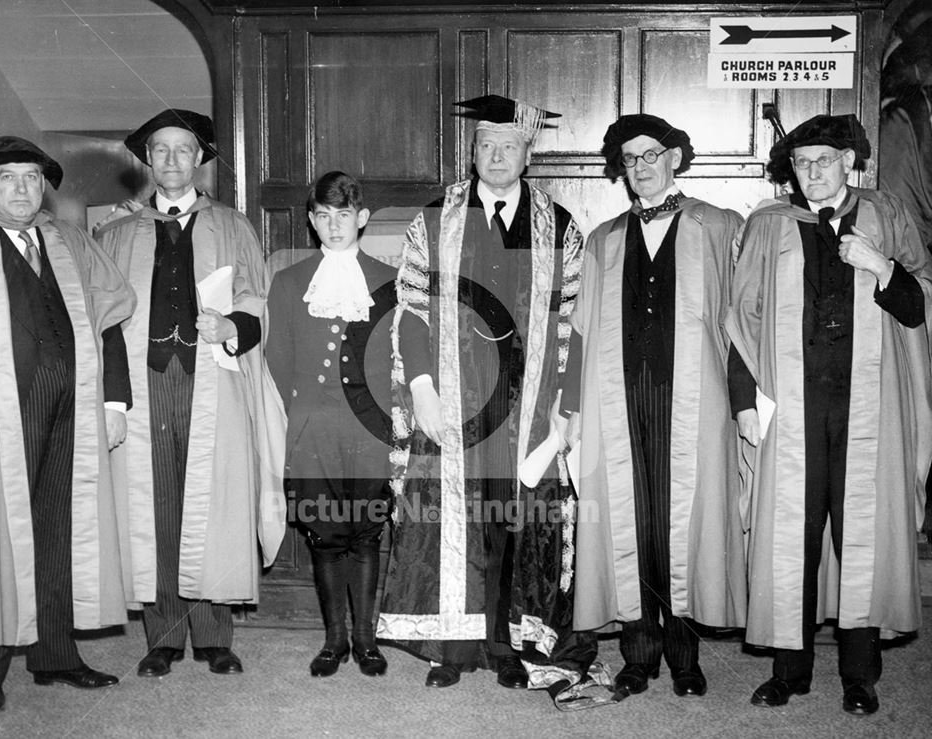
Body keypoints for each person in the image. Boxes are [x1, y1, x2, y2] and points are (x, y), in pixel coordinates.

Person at [726, 113, 932, 715]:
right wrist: (744, 404)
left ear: (851, 163)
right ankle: (790, 671)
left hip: (869, 406)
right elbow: (740, 320)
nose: (812, 171)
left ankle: (859, 676)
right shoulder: (769, 225)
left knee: (859, 534)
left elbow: (920, 308)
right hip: (791, 407)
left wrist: (881, 265)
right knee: (792, 535)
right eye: (800, 162)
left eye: (824, 159)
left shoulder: (887, 216)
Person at [377, 95, 584, 690]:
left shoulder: (559, 223)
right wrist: (420, 389)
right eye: (486, 146)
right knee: (452, 520)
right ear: (472, 152)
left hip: (528, 402)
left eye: (509, 146)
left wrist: (563, 409)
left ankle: (507, 645)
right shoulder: (437, 217)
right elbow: (411, 311)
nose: (497, 156)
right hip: (454, 396)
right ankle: (453, 649)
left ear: (528, 153)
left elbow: (573, 320)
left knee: (514, 523)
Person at [0, 136, 136, 712]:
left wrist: (114, 402)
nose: (21, 189)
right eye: (8, 179)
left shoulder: (70, 239)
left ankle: (56, 656)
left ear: (43, 185)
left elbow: (109, 321)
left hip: (73, 406)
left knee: (61, 530)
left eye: (30, 177)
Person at [96, 109, 286, 679]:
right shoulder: (115, 232)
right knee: (152, 508)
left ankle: (213, 638)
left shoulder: (232, 224)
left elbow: (257, 301)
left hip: (213, 382)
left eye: (184, 150)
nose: (173, 160)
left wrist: (233, 328)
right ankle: (162, 638)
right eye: (161, 150)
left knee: (214, 506)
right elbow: (102, 320)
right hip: (144, 382)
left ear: (201, 158)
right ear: (146, 160)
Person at [563, 114, 747, 700]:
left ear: (675, 159)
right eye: (630, 158)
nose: (640, 167)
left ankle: (685, 656)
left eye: (650, 155)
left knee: (684, 524)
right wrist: (570, 411)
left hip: (694, 399)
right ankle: (639, 654)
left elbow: (745, 323)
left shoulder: (719, 226)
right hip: (618, 399)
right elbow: (582, 333)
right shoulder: (604, 238)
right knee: (633, 522)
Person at [267, 171, 427, 678]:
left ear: (361, 219)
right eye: (322, 216)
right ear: (312, 221)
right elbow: (278, 363)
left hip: (371, 431)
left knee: (365, 533)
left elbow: (405, 357)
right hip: (313, 429)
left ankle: (366, 639)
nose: (332, 226)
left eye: (343, 215)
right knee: (326, 534)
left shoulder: (391, 281)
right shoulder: (290, 282)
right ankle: (334, 640)